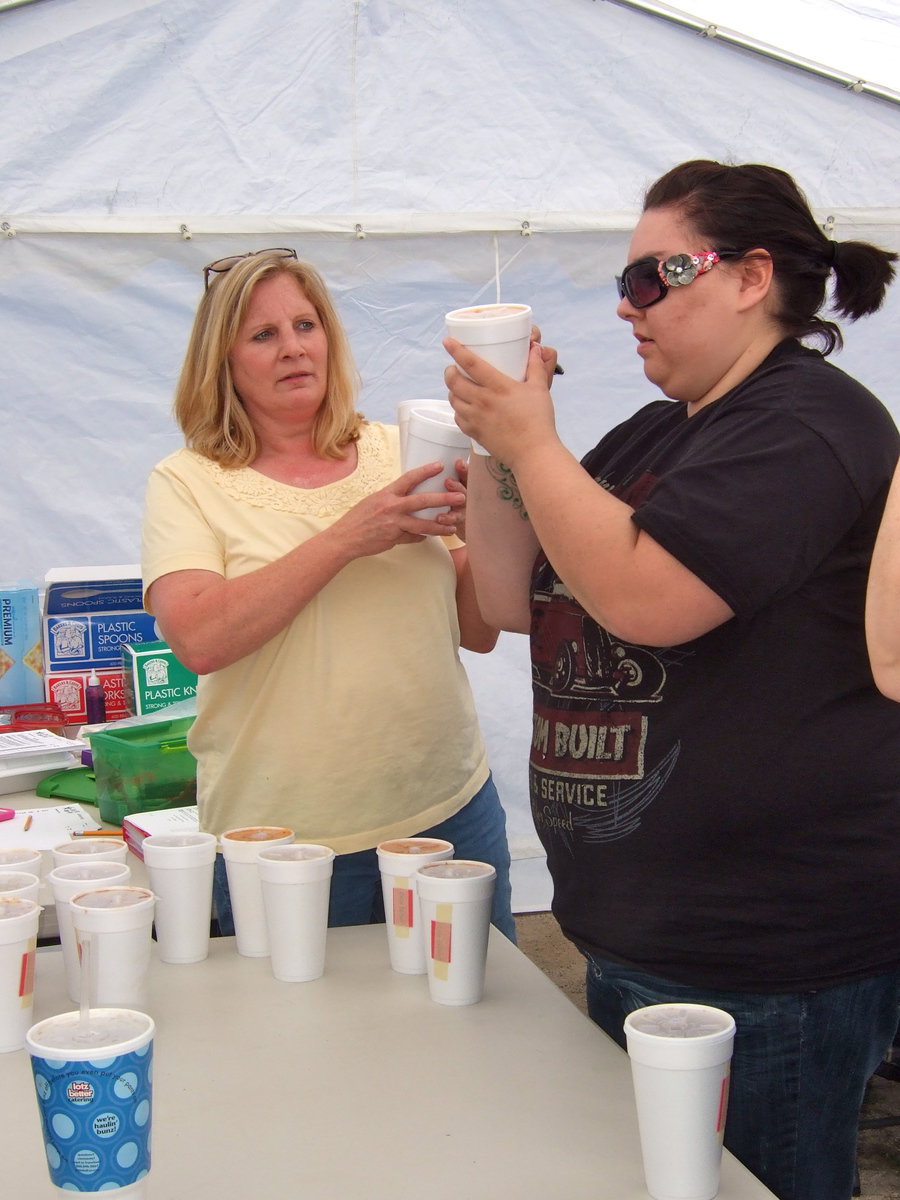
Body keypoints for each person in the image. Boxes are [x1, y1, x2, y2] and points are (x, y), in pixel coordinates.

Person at [443, 161, 900, 1200]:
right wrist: (498, 445)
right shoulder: (663, 430)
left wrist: (532, 440)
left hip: (766, 958)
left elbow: (650, 600)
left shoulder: (809, 424)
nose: (625, 302)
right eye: (625, 278)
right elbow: (517, 594)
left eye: (655, 276)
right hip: (646, 933)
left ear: (749, 276)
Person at [141, 248, 515, 940]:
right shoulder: (187, 480)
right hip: (284, 840)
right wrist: (347, 537)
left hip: (446, 811)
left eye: (305, 326)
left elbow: (481, 628)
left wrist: (485, 522)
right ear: (222, 361)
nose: (292, 349)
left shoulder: (402, 449)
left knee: (476, 1029)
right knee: (302, 1044)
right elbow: (198, 637)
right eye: (263, 335)